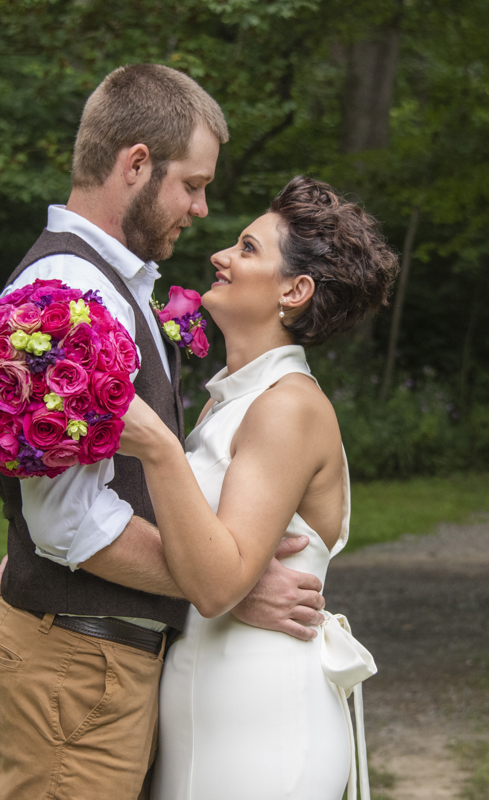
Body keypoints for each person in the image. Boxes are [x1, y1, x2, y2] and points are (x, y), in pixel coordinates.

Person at [0, 64, 327, 800]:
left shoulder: (109, 286)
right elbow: (66, 519)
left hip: (97, 671)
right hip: (77, 672)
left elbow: (72, 501)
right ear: (137, 164)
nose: (201, 210)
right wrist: (224, 587)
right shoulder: (70, 298)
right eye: (193, 185)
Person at [115, 175, 398, 800]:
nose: (219, 255)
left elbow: (217, 582)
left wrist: (160, 449)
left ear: (294, 291)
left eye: (247, 248)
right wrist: (53, 563)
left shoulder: (287, 408)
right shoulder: (231, 403)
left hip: (263, 723)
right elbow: (191, 546)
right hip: (204, 713)